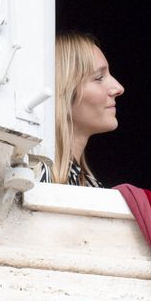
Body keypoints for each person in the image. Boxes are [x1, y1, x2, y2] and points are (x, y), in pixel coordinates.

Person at [38, 31, 125, 186]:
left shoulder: (90, 185)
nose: (119, 88)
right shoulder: (31, 178)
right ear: (62, 92)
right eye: (99, 78)